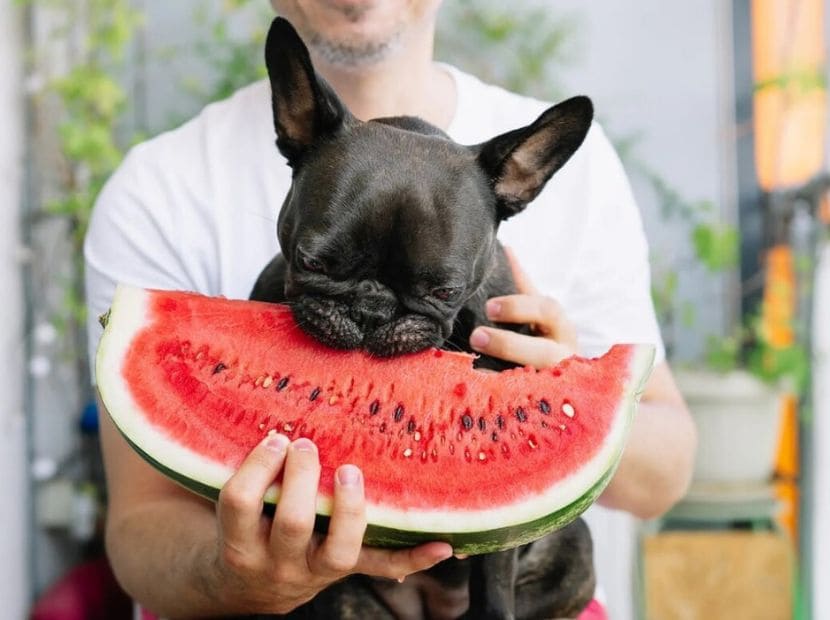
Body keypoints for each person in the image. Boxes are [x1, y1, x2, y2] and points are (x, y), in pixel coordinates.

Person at [84, 1, 697, 617]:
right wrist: (240, 577)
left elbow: (666, 475)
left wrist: (568, 402)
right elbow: (139, 523)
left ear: (518, 188)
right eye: (322, 266)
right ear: (293, 128)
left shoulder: (584, 177)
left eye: (434, 293)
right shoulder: (157, 188)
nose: (370, 316)